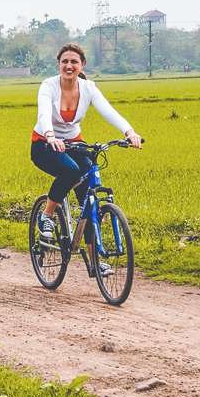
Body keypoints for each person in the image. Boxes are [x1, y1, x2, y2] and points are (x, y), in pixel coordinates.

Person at [31, 43, 143, 249]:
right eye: (64, 61)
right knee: (71, 171)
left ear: (82, 65)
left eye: (74, 62)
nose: (69, 65)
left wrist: (129, 132)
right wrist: (50, 136)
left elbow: (108, 111)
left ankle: (95, 259)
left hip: (74, 143)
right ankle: (46, 216)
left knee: (88, 200)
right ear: (58, 64)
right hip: (44, 145)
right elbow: (44, 113)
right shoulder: (48, 86)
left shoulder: (88, 88)